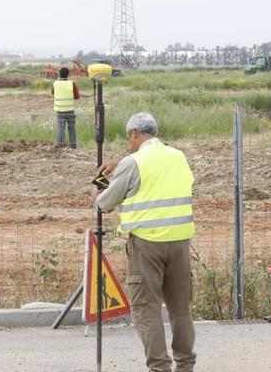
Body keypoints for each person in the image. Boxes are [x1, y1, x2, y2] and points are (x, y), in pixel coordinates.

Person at [93, 112, 196, 372]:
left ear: (134, 133)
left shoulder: (132, 162)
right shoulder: (178, 156)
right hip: (181, 244)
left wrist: (101, 186)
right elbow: (159, 180)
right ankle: (186, 366)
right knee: (180, 310)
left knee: (146, 310)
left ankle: (160, 368)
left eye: (129, 137)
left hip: (147, 246)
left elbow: (105, 202)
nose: (128, 141)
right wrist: (122, 167)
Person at [51, 67, 80, 148]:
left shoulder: (55, 83)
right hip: (70, 110)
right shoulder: (72, 83)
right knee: (72, 128)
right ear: (68, 74)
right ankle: (73, 146)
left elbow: (53, 93)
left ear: (60, 75)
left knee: (61, 128)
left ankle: (61, 145)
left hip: (60, 111)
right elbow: (77, 96)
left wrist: (58, 80)